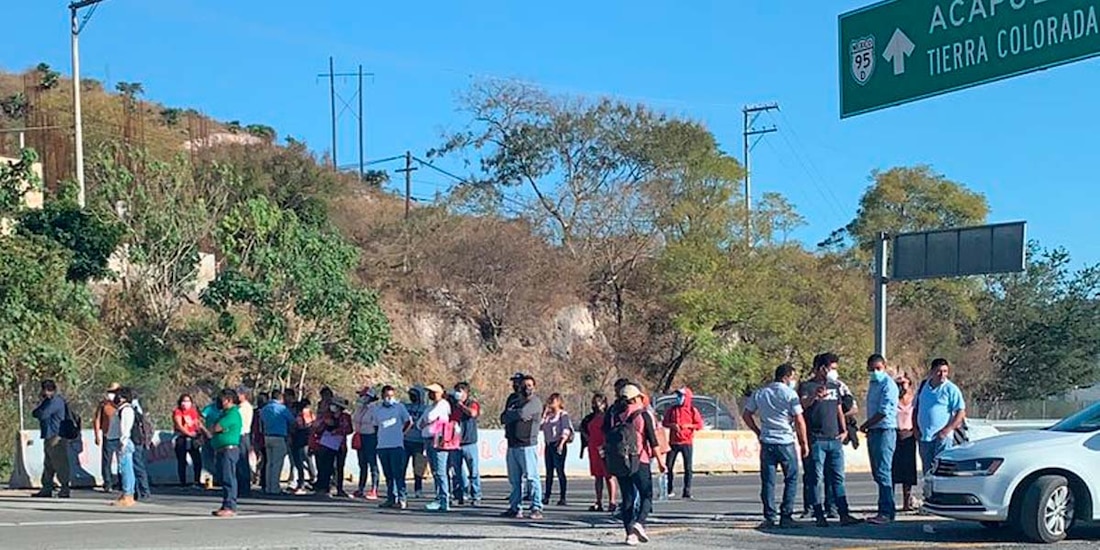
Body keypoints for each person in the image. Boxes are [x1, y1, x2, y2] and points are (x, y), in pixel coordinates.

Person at [798, 355, 863, 527]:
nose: (834, 371)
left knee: (838, 477)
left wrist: (843, 431)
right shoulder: (806, 386)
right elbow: (801, 406)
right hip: (816, 439)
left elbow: (839, 409)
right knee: (815, 478)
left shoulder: (835, 386)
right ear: (821, 368)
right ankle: (819, 514)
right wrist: (814, 397)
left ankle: (843, 513)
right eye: (831, 367)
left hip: (834, 439)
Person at [742, 364, 809, 529]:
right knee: (791, 478)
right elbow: (799, 420)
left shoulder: (761, 393)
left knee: (768, 482)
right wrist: (803, 443)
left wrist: (757, 431)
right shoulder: (789, 394)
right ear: (786, 377)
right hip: (785, 441)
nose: (793, 381)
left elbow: (746, 414)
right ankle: (786, 515)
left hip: (767, 441)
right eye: (792, 377)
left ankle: (769, 517)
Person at [608, 383, 665, 546]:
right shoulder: (643, 415)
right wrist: (661, 462)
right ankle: (639, 523)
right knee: (646, 494)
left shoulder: (615, 415)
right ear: (636, 398)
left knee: (627, 498)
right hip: (640, 460)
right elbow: (653, 441)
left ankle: (629, 534)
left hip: (621, 462)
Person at [859, 354, 900, 525]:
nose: (875, 372)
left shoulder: (888, 385)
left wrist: (866, 424)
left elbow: (883, 411)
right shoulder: (873, 383)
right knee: (877, 472)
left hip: (885, 430)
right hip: (874, 431)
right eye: (872, 369)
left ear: (884, 367)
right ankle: (883, 508)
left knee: (884, 471)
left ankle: (886, 511)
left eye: (878, 368)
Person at [500, 374, 544, 520]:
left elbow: (523, 413)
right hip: (512, 444)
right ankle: (515, 507)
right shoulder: (513, 400)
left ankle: (536, 507)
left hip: (527, 445)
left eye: (529, 385)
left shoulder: (535, 402)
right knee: (514, 479)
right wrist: (515, 415)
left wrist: (514, 415)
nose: (525, 388)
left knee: (532, 477)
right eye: (523, 385)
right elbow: (503, 417)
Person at [914, 358, 967, 474]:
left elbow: (961, 412)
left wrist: (947, 430)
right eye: (939, 371)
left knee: (942, 470)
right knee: (928, 471)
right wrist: (915, 429)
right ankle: (929, 492)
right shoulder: (923, 387)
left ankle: (942, 492)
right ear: (932, 371)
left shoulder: (951, 389)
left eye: (945, 371)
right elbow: (916, 409)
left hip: (942, 438)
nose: (942, 374)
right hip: (925, 437)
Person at [374, 385, 412, 510]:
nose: (389, 398)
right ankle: (391, 498)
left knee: (398, 473)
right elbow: (375, 425)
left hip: (396, 445)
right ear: (382, 396)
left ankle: (402, 498)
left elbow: (409, 422)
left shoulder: (399, 407)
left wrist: (402, 433)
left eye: (391, 396)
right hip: (383, 445)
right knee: (388, 474)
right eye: (386, 396)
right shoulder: (378, 409)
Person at [31, 380, 71, 499]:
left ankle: (64, 488)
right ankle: (47, 488)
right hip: (48, 435)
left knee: (60, 463)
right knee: (48, 464)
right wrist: (39, 411)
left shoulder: (56, 401)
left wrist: (39, 412)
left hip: (57, 436)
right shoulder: (47, 401)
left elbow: (42, 414)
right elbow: (35, 413)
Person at [662, 387, 703, 500]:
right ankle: (669, 489)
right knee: (668, 466)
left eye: (681, 396)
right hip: (673, 442)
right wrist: (672, 425)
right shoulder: (672, 410)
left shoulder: (692, 410)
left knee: (688, 468)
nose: (678, 398)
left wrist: (688, 426)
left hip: (686, 442)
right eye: (678, 396)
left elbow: (699, 425)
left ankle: (687, 491)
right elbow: (665, 422)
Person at [580, 393, 617, 512]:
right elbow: (583, 429)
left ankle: (612, 502)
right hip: (593, 449)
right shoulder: (589, 418)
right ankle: (599, 501)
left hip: (605, 448)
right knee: (598, 476)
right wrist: (588, 439)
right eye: (594, 402)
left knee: (609, 476)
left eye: (598, 402)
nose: (596, 405)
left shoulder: (609, 417)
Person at [420, 383, 454, 512]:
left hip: (439, 440)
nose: (431, 394)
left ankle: (444, 499)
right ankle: (438, 497)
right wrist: (425, 422)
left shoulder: (443, 404)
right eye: (430, 392)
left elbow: (428, 418)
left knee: (440, 471)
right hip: (428, 439)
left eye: (434, 392)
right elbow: (420, 423)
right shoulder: (430, 406)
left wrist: (426, 422)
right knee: (435, 471)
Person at [211, 388, 243, 517]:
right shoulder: (223, 414)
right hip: (221, 449)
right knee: (223, 477)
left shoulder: (232, 414)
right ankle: (226, 504)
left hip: (229, 450)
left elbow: (217, 427)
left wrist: (214, 428)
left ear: (229, 400)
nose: (219, 402)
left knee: (228, 477)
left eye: (222, 399)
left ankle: (230, 505)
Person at [313, 396, 353, 497]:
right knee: (326, 466)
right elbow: (317, 428)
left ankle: (339, 488)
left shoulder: (345, 417)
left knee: (339, 467)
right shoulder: (326, 416)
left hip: (340, 445)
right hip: (327, 445)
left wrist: (338, 431)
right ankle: (324, 488)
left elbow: (349, 429)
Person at [452, 382, 483, 506]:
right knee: (457, 471)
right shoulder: (452, 405)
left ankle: (476, 495)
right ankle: (459, 494)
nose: (458, 393)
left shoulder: (472, 403)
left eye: (460, 391)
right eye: (456, 391)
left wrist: (461, 406)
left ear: (466, 393)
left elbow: (473, 413)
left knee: (473, 471)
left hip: (469, 442)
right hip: (455, 443)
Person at [540, 393, 574, 506]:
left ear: (559, 402)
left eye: (553, 400)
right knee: (549, 472)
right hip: (549, 444)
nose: (551, 402)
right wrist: (544, 414)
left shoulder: (562, 415)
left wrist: (561, 443)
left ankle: (563, 497)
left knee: (560, 471)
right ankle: (547, 496)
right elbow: (540, 426)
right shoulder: (548, 416)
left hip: (558, 444)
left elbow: (566, 429)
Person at [260, 389, 295, 495]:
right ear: (281, 398)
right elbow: (292, 421)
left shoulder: (264, 409)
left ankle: (268, 486)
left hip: (267, 436)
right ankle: (274, 487)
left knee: (269, 463)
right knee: (277, 463)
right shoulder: (282, 409)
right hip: (279, 437)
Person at [107, 387, 137, 507]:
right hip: (120, 441)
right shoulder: (121, 409)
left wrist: (123, 442)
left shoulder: (126, 410)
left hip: (124, 442)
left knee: (126, 469)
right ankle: (127, 493)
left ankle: (128, 495)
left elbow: (125, 428)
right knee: (125, 468)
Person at [894, 373, 919, 511]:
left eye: (903, 383)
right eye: (898, 384)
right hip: (895, 434)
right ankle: (889, 501)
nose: (900, 386)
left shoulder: (914, 400)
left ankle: (906, 502)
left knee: (908, 470)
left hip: (909, 435)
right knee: (893, 468)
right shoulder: (893, 399)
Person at [352, 386, 381, 500]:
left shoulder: (374, 409)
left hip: (370, 436)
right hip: (360, 435)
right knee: (362, 463)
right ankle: (360, 488)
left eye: (363, 395)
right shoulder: (359, 408)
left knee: (372, 463)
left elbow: (377, 424)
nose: (360, 397)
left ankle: (374, 488)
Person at [93, 383, 120, 493]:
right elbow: (97, 419)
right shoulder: (104, 404)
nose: (112, 394)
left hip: (121, 436)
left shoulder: (123, 405)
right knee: (106, 461)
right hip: (108, 435)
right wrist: (97, 435)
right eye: (111, 392)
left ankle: (122, 482)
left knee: (122, 461)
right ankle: (108, 482)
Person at [172, 393, 204, 487]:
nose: (185, 403)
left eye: (187, 401)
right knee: (182, 460)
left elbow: (196, 423)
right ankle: (183, 482)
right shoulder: (178, 411)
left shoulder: (193, 411)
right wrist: (188, 433)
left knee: (197, 459)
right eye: (183, 401)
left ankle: (197, 480)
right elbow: (179, 425)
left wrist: (199, 432)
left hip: (193, 438)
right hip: (182, 437)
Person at [403, 386, 429, 499]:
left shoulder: (425, 408)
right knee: (401, 466)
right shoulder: (405, 407)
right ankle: (401, 488)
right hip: (405, 440)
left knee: (418, 467)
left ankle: (418, 489)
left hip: (420, 441)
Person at [289, 395, 316, 493]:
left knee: (300, 462)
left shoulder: (299, 417)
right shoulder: (310, 415)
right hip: (304, 440)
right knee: (304, 461)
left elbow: (295, 427)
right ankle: (309, 478)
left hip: (300, 440)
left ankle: (302, 482)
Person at [236, 387, 255, 498]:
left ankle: (244, 487)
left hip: (242, 435)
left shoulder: (245, 408)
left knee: (242, 462)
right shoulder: (240, 407)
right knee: (240, 462)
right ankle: (241, 486)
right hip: (241, 436)